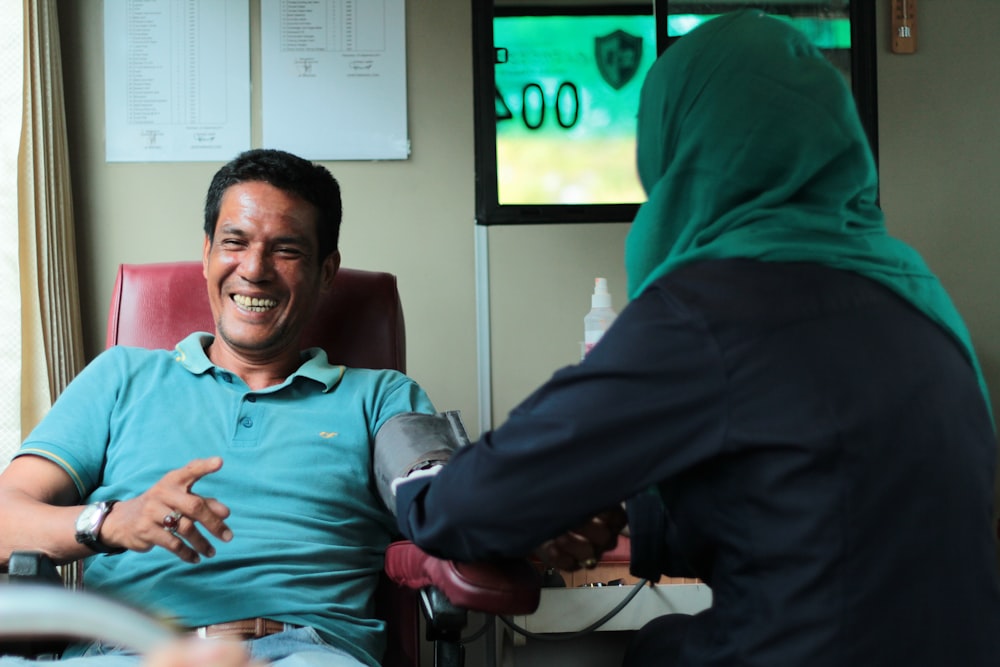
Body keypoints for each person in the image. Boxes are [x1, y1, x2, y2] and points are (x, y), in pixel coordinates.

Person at [394, 10, 1000, 667]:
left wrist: (423, 476)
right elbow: (805, 504)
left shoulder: (709, 310)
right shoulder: (918, 294)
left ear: (675, 142)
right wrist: (622, 508)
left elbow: (468, 506)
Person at [0, 148, 440, 667]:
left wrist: (519, 515)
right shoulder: (120, 376)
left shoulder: (381, 397)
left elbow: (442, 496)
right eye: (234, 243)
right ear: (207, 253)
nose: (254, 270)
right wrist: (112, 522)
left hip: (303, 653)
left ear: (326, 272)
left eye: (287, 250)